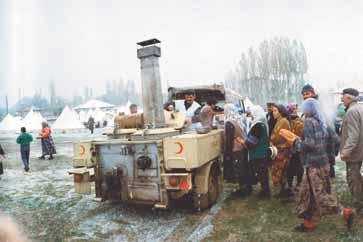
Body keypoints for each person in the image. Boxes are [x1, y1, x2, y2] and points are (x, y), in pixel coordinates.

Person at [280, 98, 354, 232]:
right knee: (308, 193)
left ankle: (345, 212)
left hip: (313, 165)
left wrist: (295, 142)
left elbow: (309, 144)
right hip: (322, 163)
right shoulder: (322, 121)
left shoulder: (308, 122)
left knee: (320, 195)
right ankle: (309, 222)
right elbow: (333, 140)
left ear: (308, 109)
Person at [339, 88, 363, 214]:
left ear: (349, 98)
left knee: (353, 178)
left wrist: (346, 151)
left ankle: (359, 205)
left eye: (343, 97)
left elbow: (354, 134)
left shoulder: (352, 111)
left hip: (354, 153)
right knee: (357, 176)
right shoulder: (359, 108)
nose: (341, 99)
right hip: (359, 150)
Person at [239, 105, 270, 198]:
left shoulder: (257, 126)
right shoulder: (262, 124)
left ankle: (265, 193)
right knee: (263, 173)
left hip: (258, 153)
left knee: (261, 173)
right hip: (263, 152)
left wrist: (242, 142)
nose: (251, 116)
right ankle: (265, 191)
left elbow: (252, 142)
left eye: (251, 114)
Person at [224, 104, 253, 196]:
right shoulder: (238, 119)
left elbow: (229, 139)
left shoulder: (229, 123)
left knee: (238, 169)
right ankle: (248, 187)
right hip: (242, 147)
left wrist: (227, 152)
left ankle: (243, 190)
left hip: (236, 149)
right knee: (244, 167)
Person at [270, 104, 291, 198]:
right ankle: (284, 191)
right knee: (281, 171)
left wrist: (271, 140)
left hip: (283, 150)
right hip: (280, 149)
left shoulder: (283, 121)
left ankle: (285, 191)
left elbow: (277, 136)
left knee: (281, 170)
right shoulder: (280, 121)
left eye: (275, 111)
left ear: (281, 111)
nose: (273, 113)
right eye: (273, 111)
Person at [286, 103, 304, 193]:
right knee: (294, 166)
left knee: (295, 166)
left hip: (296, 147)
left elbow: (300, 135)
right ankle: (294, 184)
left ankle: (296, 184)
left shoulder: (298, 121)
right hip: (294, 147)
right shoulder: (296, 121)